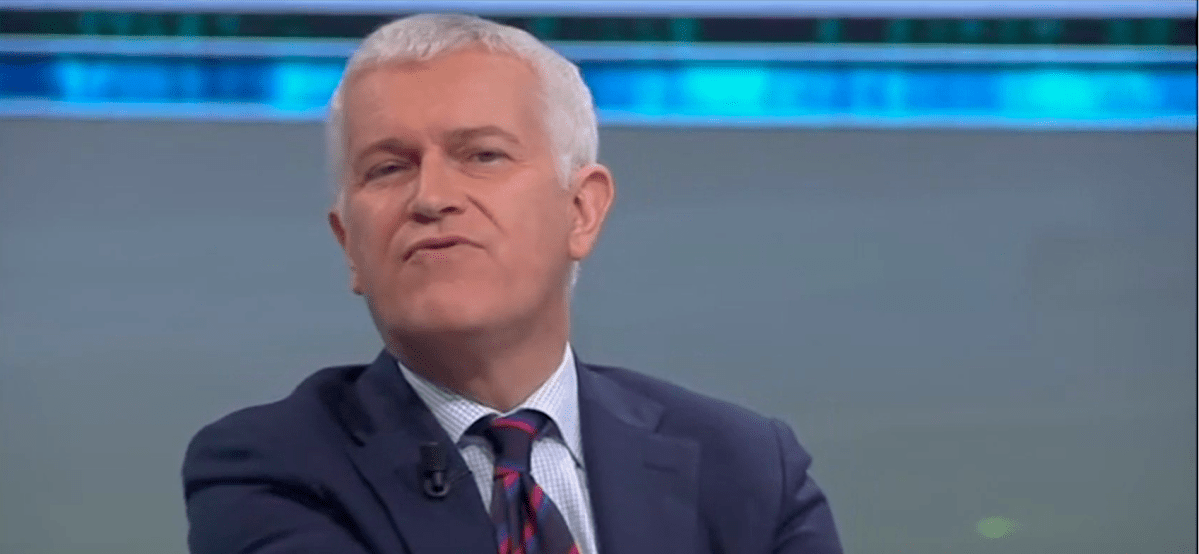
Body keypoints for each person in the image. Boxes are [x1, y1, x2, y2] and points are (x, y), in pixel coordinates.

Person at [182, 13, 841, 554]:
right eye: (388, 168)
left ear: (580, 211)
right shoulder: (269, 469)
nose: (431, 197)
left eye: (482, 155)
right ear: (348, 243)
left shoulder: (748, 469)